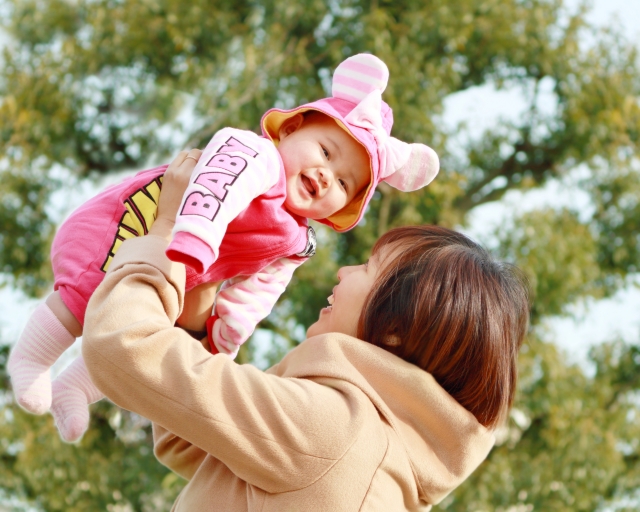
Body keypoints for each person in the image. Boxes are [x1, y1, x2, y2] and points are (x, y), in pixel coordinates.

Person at [8, 53, 440, 442]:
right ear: (289, 129)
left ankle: (77, 387)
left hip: (178, 270)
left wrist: (223, 339)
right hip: (126, 226)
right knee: (88, 294)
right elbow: (218, 189)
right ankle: (30, 359)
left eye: (344, 182)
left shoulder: (294, 238)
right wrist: (196, 237)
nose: (327, 175)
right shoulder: (255, 155)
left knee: (151, 329)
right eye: (326, 152)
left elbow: (258, 294)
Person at [80, 153, 530, 511]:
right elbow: (192, 437)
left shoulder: (334, 432)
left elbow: (122, 346)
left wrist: (168, 228)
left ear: (393, 331)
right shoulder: (376, 450)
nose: (343, 271)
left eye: (369, 268)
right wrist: (203, 300)